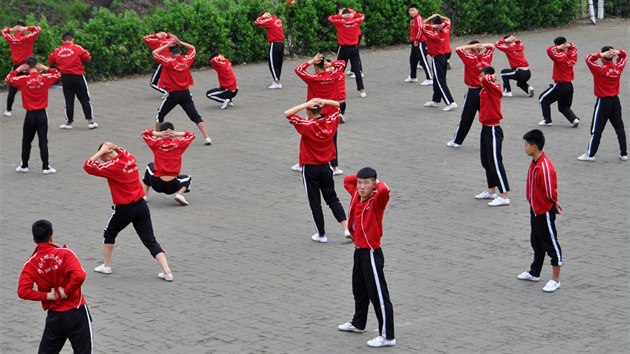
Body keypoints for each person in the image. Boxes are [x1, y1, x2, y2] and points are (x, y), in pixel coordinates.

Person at [83, 141, 174, 281]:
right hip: (142, 206)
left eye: (103, 158)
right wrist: (113, 147)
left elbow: (87, 166)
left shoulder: (112, 167)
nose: (102, 161)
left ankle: (107, 266)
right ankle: (167, 272)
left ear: (107, 154)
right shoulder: (129, 158)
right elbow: (122, 151)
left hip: (125, 209)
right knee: (150, 240)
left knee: (109, 232)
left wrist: (101, 151)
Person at [338, 168, 395, 348]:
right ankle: (358, 323)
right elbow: (347, 180)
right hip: (359, 251)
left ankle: (387, 336)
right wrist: (362, 178)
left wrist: (376, 182)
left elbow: (385, 189)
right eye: (360, 183)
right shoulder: (356, 192)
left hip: (371, 252)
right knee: (359, 290)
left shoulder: (377, 200)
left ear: (374, 184)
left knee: (378, 295)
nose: (362, 187)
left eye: (366, 183)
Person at [18, 219, 93, 353]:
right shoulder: (66, 253)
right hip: (76, 311)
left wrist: (47, 296)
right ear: (52, 237)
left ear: (34, 240)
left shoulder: (31, 264)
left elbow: (23, 291)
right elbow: (80, 275)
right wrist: (66, 291)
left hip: (55, 316)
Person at [283, 98, 350, 243]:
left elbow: (287, 113)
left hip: (310, 168)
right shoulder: (331, 122)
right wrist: (323, 101)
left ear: (308, 111)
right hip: (326, 167)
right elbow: (338, 105)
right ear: (320, 110)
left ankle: (321, 234)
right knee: (332, 199)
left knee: (315, 202)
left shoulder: (306, 125)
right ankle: (346, 227)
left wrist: (307, 103)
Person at [518, 129, 563, 292]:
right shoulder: (535, 163)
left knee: (551, 244)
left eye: (526, 145)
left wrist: (554, 202)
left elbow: (551, 191)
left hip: (543, 211)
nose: (525, 148)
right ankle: (534, 272)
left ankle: (555, 279)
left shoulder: (544, 168)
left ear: (534, 147)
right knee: (536, 242)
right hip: (535, 210)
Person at [293, 53, 347, 174]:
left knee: (308, 137)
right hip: (332, 113)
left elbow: (298, 69)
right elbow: (342, 63)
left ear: (317, 68)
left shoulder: (313, 79)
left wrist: (311, 61)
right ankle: (334, 166)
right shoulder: (334, 75)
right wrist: (330, 64)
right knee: (332, 138)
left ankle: (303, 163)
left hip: (315, 113)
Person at [5, 56, 60, 174]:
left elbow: (8, 79)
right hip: (42, 114)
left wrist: (18, 69)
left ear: (26, 67)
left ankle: (24, 165)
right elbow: (57, 74)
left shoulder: (23, 80)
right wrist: (45, 68)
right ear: (37, 66)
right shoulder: (45, 78)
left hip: (29, 115)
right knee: (43, 141)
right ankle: (46, 167)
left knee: (26, 141)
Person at [153, 37, 212, 145]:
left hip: (173, 94)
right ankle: (207, 137)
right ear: (180, 52)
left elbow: (154, 53)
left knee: (160, 115)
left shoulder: (169, 61)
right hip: (185, 93)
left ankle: (157, 138)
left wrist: (167, 44)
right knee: (195, 116)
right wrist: (179, 42)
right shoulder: (187, 60)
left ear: (170, 53)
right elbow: (193, 48)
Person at [578, 46, 627, 162]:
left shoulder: (600, 69)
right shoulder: (618, 68)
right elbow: (624, 55)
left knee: (597, 129)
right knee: (619, 127)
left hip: (603, 101)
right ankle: (624, 153)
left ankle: (590, 155)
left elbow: (588, 58)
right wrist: (617, 52)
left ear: (603, 57)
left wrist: (601, 54)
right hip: (615, 101)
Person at [447, 41, 495, 148]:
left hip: (473, 92)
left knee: (466, 118)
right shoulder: (486, 57)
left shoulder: (470, 59)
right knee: (487, 119)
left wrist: (471, 46)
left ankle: (457, 141)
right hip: (486, 92)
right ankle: (489, 142)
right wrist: (482, 46)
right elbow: (492, 46)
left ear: (471, 50)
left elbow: (458, 49)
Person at [474, 66, 510, 207]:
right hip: (485, 129)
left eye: (481, 75)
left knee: (495, 162)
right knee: (486, 160)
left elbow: (489, 79)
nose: (479, 78)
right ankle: (491, 191)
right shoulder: (485, 89)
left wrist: (491, 75)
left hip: (494, 129)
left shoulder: (493, 88)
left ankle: (504, 195)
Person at [49, 32, 98, 130]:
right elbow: (87, 58)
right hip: (78, 76)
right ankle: (90, 122)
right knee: (85, 99)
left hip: (65, 78)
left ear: (62, 41)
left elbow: (51, 62)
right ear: (72, 39)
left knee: (68, 100)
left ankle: (68, 123)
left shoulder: (57, 51)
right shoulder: (78, 48)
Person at [142, 122, 195, 206]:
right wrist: (176, 134)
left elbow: (144, 133)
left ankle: (144, 195)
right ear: (173, 132)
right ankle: (179, 194)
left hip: (156, 183)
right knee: (188, 178)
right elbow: (191, 135)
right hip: (172, 186)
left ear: (161, 132)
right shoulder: (179, 144)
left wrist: (159, 134)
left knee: (149, 166)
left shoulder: (156, 143)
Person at [538, 37, 580, 127]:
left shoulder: (559, 56)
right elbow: (574, 48)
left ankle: (547, 120)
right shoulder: (571, 55)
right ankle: (574, 119)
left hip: (560, 85)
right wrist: (569, 45)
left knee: (543, 99)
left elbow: (549, 50)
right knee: (563, 107)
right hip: (569, 86)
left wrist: (560, 47)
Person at [2, 21, 41, 117]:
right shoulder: (28, 37)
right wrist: (27, 28)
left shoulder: (12, 39)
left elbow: (3, 31)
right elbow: (38, 29)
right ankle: (37, 107)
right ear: (23, 30)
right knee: (35, 86)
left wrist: (11, 29)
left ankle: (8, 110)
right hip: (29, 66)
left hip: (17, 67)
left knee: (12, 89)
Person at [422, 14, 457, 111]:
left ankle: (450, 102)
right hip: (444, 57)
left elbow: (421, 26)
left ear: (433, 25)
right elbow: (448, 20)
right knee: (438, 79)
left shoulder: (433, 34)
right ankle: (435, 100)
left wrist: (430, 18)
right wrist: (440, 17)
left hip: (437, 58)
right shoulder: (445, 30)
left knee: (440, 81)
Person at [328, 8, 366, 97]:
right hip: (354, 49)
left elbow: (330, 18)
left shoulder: (340, 23)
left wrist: (341, 16)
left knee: (338, 69)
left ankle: (333, 89)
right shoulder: (356, 21)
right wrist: (353, 15)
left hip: (344, 49)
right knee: (357, 70)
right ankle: (362, 90)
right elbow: (362, 16)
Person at [255, 12, 285, 89]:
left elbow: (257, 22)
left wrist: (262, 17)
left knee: (272, 63)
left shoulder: (270, 21)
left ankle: (277, 81)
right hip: (281, 44)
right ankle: (277, 80)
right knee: (278, 63)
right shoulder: (277, 20)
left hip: (274, 44)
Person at [143, 29, 176, 97]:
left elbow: (145, 38)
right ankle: (175, 92)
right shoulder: (169, 41)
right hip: (171, 62)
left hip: (163, 63)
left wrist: (157, 35)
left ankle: (166, 92)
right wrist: (167, 34)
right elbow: (175, 38)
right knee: (169, 80)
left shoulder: (156, 41)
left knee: (153, 83)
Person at [404, 4, 432, 85]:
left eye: (413, 10)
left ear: (417, 11)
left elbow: (421, 29)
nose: (412, 12)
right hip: (414, 42)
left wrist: (416, 40)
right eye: (410, 10)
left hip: (420, 42)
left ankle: (429, 78)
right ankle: (413, 77)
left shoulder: (418, 18)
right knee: (413, 59)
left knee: (423, 60)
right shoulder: (412, 19)